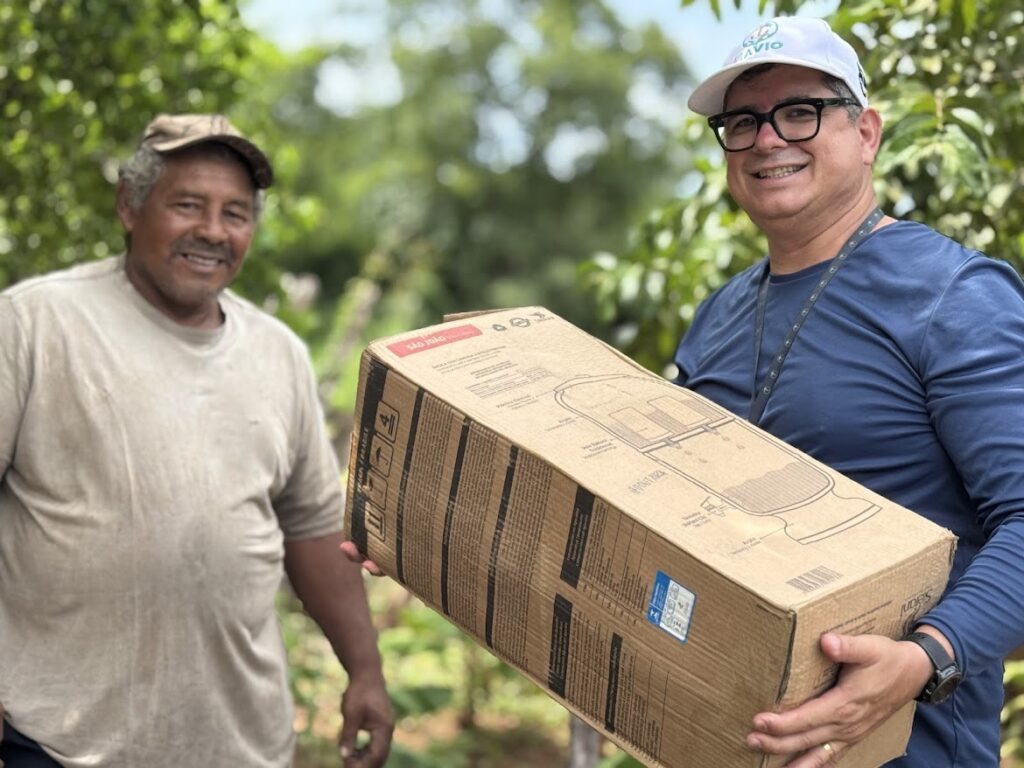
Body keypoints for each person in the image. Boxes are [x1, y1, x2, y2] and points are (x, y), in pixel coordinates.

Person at [674, 16, 1024, 768]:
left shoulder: (955, 297)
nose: (768, 139)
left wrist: (928, 655)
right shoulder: (718, 317)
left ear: (866, 132)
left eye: (801, 110)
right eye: (742, 121)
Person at [0, 114, 394, 768]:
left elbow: (315, 530)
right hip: (57, 741)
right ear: (130, 204)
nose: (213, 232)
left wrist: (366, 672)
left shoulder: (280, 355)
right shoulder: (34, 325)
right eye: (188, 206)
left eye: (235, 214)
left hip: (239, 743)